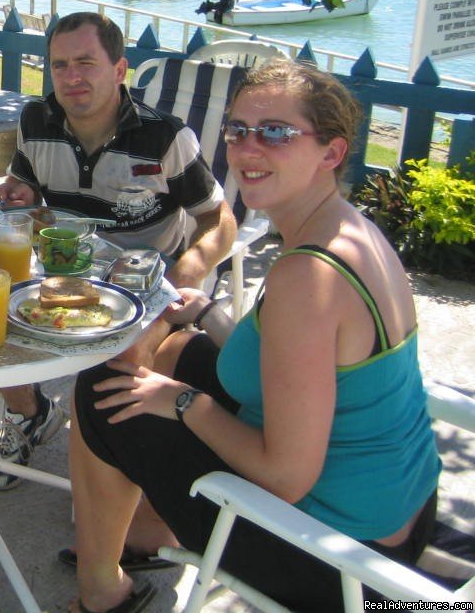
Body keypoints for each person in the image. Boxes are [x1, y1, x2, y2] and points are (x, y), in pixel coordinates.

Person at [67, 60, 441, 613]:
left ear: (331, 152)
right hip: (401, 508)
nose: (247, 149)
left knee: (102, 389)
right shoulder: (349, 229)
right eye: (238, 130)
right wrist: (210, 313)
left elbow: (285, 477)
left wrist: (184, 403)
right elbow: (300, 354)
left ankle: (103, 594)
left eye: (275, 133)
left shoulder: (308, 277)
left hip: (337, 559)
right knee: (168, 350)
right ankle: (150, 530)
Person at [0, 12, 236, 491]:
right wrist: (21, 195)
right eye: (60, 65)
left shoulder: (165, 137)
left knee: (114, 376)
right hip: (60, 271)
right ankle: (31, 413)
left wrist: (194, 265)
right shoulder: (36, 121)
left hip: (146, 285)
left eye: (86, 62)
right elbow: (27, 187)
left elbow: (218, 217)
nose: (72, 77)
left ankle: (112, 482)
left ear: (119, 70)